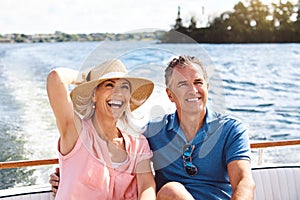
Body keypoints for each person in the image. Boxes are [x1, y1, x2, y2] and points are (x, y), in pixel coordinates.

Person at [50, 56, 255, 199]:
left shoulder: (231, 129)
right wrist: (89, 76)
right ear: (169, 94)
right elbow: (55, 79)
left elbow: (244, 182)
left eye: (198, 82)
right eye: (108, 85)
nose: (193, 90)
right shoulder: (151, 133)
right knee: (172, 191)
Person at [46, 59, 156, 199]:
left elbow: (147, 186)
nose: (118, 93)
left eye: (124, 87)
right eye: (109, 85)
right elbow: (56, 77)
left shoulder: (138, 144)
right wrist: (86, 77)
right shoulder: (77, 133)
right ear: (94, 95)